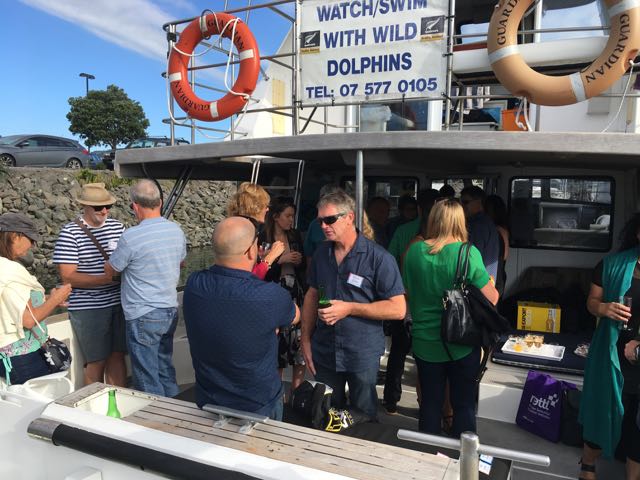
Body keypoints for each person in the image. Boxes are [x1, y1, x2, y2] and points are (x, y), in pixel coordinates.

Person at [300, 189, 406, 419]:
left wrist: (349, 308)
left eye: (330, 220)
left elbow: (398, 309)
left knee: (363, 417)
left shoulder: (379, 258)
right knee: (324, 413)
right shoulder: (321, 254)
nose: (324, 226)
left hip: (361, 352)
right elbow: (312, 294)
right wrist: (305, 339)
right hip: (325, 350)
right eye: (320, 221)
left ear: (349, 218)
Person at [183, 217, 300, 419]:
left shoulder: (194, 284)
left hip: (209, 401)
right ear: (251, 251)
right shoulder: (269, 295)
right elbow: (295, 315)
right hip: (259, 406)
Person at [402, 199, 499, 436]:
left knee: (430, 403)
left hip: (424, 341)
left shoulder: (414, 251)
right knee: (463, 405)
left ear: (433, 220)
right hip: (461, 342)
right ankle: (461, 453)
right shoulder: (468, 253)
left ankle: (426, 452)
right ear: (460, 222)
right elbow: (493, 298)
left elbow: (407, 293)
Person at [104, 179, 186, 397]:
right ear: (160, 203)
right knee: (165, 368)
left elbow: (112, 270)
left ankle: (154, 416)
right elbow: (181, 262)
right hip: (169, 310)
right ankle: (175, 411)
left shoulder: (130, 237)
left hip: (143, 313)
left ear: (135, 206)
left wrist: (108, 261)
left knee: (146, 376)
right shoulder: (176, 230)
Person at [579, 213, 640, 480]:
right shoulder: (610, 265)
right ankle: (588, 465)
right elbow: (591, 302)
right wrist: (603, 308)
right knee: (603, 410)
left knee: (637, 424)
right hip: (612, 351)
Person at [53, 182, 127, 386]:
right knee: (96, 361)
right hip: (89, 308)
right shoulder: (70, 233)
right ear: (84, 206)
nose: (104, 211)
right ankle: (94, 404)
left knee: (118, 356)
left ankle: (119, 401)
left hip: (119, 302)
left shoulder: (118, 227)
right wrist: (107, 279)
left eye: (107, 206)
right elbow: (68, 277)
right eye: (98, 207)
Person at [383, 189, 441, 415]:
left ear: (418, 208)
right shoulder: (441, 235)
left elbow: (389, 259)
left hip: (403, 297)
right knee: (427, 357)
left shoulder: (403, 230)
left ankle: (391, 400)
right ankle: (427, 404)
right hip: (431, 301)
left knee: (398, 352)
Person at [0, 213, 72, 385]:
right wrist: (56, 299)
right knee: (42, 399)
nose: (33, 245)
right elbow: (28, 320)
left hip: (7, 357)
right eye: (31, 239)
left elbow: (10, 304)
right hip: (22, 357)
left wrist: (48, 298)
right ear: (15, 236)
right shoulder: (9, 270)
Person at [260, 197, 307, 394]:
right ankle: (276, 393)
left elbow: (304, 268)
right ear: (276, 217)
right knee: (278, 342)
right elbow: (261, 273)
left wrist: (299, 261)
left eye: (292, 216)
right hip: (274, 292)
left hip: (295, 291)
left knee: (298, 341)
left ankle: (297, 393)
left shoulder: (294, 236)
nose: (291, 220)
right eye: (288, 216)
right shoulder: (263, 238)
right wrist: (280, 260)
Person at [227, 182, 285, 280]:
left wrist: (258, 257)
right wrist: (271, 256)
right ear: (255, 207)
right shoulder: (245, 231)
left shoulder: (233, 225)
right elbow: (248, 279)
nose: (267, 209)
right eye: (265, 206)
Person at [460, 186, 500, 281]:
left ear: (478, 202)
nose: (461, 206)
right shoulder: (487, 222)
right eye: (460, 202)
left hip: (477, 282)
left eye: (465, 202)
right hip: (486, 281)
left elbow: (472, 258)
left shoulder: (478, 226)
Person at [484, 194, 510, 297]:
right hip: (499, 275)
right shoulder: (503, 229)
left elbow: (502, 256)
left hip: (495, 276)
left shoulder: (496, 230)